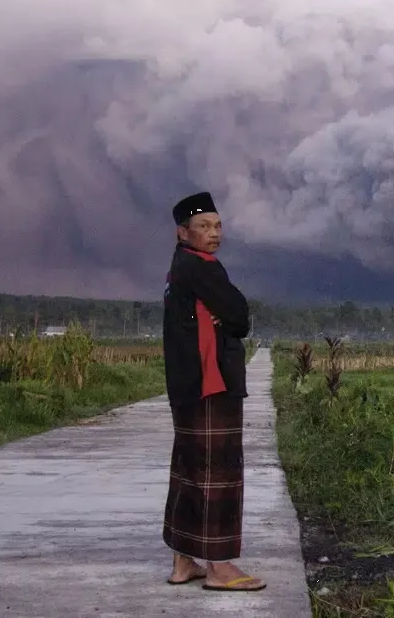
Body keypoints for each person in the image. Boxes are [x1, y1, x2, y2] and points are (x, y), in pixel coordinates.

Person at [160, 191, 266, 592]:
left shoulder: (177, 268)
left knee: (189, 470)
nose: (214, 233)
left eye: (218, 225)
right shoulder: (203, 267)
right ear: (183, 232)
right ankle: (220, 568)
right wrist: (230, 312)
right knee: (217, 473)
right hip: (211, 385)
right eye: (203, 226)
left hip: (187, 387)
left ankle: (183, 562)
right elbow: (239, 317)